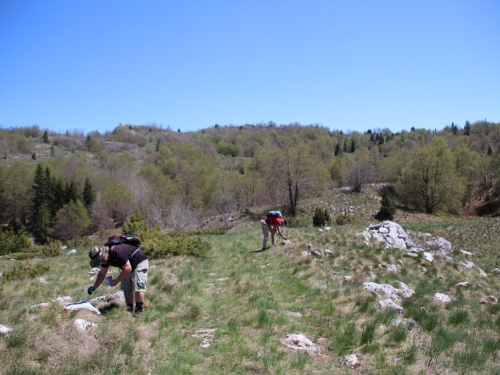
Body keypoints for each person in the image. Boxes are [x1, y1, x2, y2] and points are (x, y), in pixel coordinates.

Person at [88, 242, 149, 316]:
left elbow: (127, 268)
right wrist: (94, 286)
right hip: (127, 265)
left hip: (139, 262)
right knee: (126, 287)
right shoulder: (104, 259)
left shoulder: (118, 252)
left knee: (138, 287)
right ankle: (129, 309)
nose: (102, 262)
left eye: (101, 260)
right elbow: (102, 273)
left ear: (103, 254)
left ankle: (139, 310)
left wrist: (116, 281)